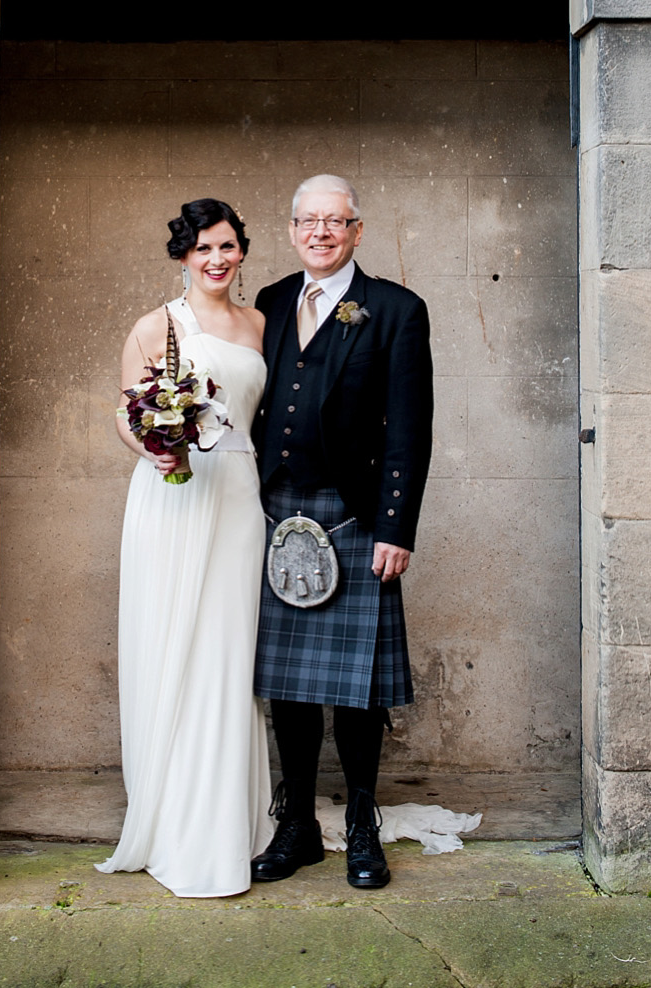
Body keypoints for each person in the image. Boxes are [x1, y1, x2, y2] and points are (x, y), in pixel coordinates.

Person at [250, 174, 432, 890]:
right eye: (307, 221)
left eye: (336, 222)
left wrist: (396, 527)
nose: (320, 233)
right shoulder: (267, 302)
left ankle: (361, 824)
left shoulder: (394, 309)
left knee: (358, 689)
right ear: (293, 229)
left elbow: (409, 432)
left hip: (355, 516)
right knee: (286, 686)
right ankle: (297, 827)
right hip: (270, 513)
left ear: (357, 231)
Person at [94, 199, 272, 897]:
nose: (217, 259)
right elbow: (124, 412)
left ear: (241, 250)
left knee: (227, 652)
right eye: (203, 249)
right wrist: (159, 448)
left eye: (227, 246)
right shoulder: (158, 326)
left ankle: (233, 821)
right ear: (183, 257)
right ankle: (172, 822)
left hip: (239, 495)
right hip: (173, 495)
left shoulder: (261, 324)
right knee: (174, 644)